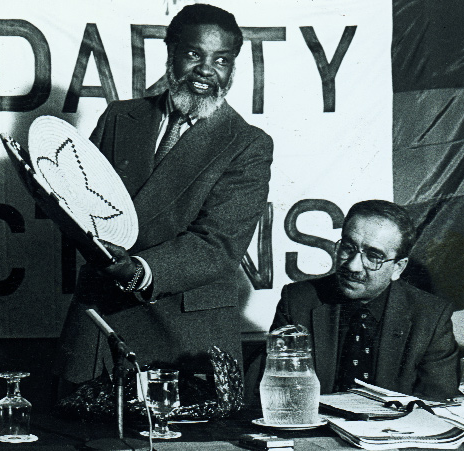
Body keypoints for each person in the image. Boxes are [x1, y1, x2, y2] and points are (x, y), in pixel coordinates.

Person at [54, 4, 274, 388]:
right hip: (101, 322)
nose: (207, 69)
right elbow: (83, 206)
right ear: (170, 53)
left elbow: (218, 245)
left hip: (186, 334)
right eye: (194, 54)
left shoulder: (247, 144)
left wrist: (138, 269)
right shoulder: (119, 117)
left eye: (221, 60)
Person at [270, 200, 459, 399]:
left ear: (398, 268)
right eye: (348, 248)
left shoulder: (431, 317)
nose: (353, 266)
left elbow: (436, 403)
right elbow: (277, 392)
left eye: (373, 256)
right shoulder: (298, 301)